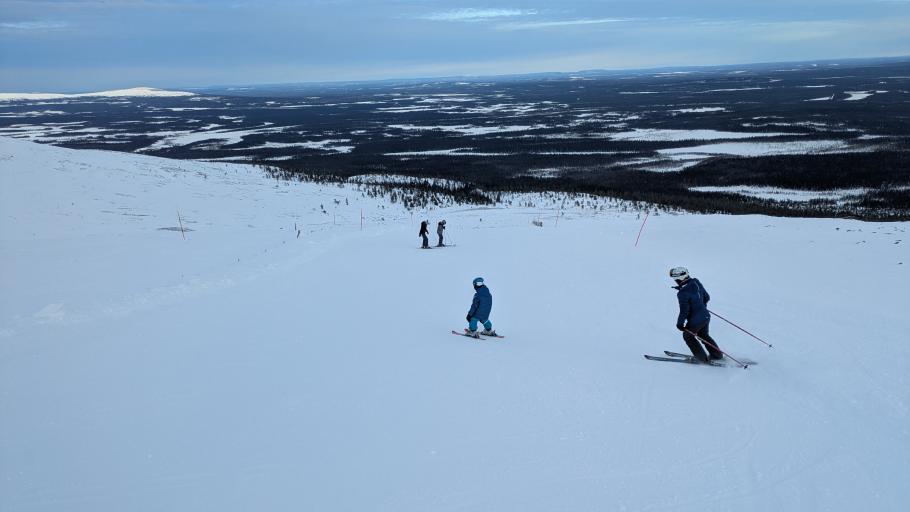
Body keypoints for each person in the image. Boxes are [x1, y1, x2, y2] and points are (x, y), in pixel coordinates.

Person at [670, 266, 723, 363]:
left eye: (675, 279)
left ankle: (701, 358)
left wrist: (680, 324)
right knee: (703, 335)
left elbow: (684, 311)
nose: (675, 281)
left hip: (696, 320)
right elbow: (707, 297)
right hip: (705, 316)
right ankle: (717, 355)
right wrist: (701, 306)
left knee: (688, 336)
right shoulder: (696, 282)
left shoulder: (683, 293)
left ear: (680, 279)